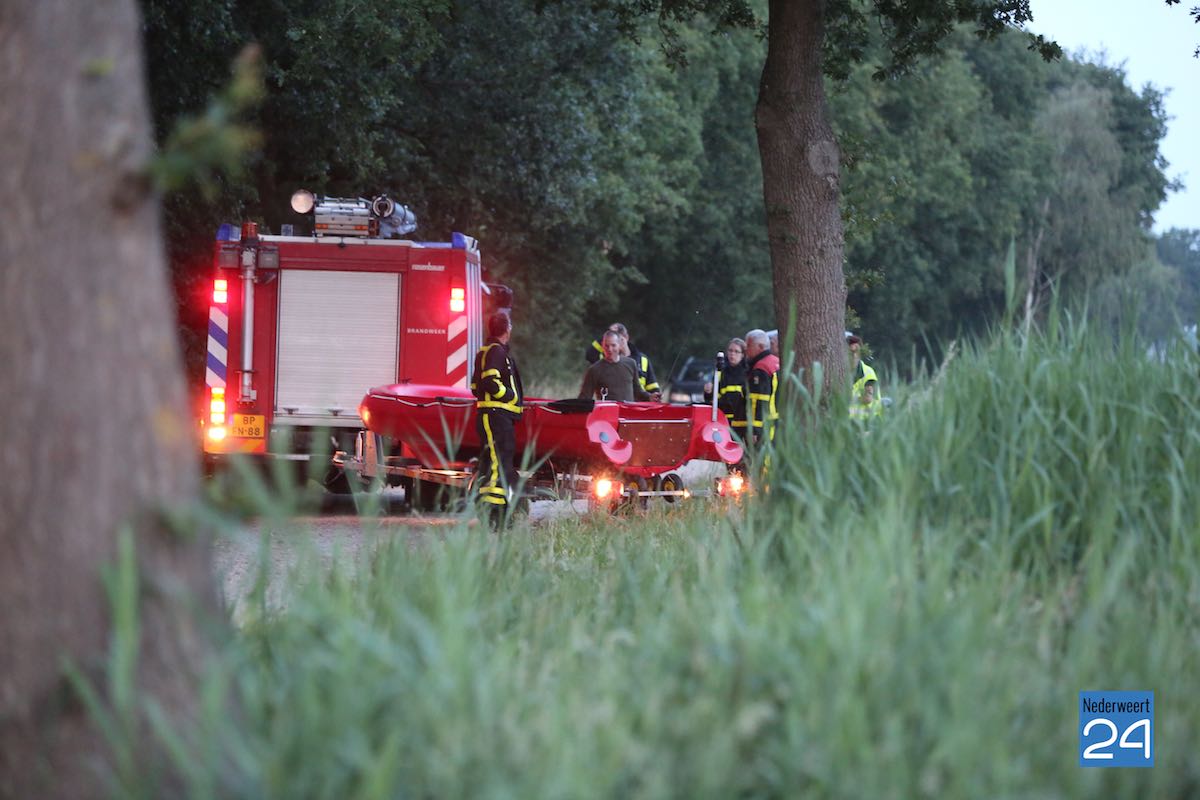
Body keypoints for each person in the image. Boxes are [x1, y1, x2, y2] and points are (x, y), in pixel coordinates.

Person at [471, 312, 524, 526]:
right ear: (507, 329)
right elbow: (490, 381)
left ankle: (494, 512)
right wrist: (509, 396)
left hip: (493, 416)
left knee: (493, 464)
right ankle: (495, 515)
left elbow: (475, 387)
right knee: (497, 464)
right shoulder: (496, 352)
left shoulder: (485, 351)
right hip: (496, 416)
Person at [585, 322, 660, 395]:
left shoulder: (642, 359)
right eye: (613, 341)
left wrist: (654, 396)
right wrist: (607, 335)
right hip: (613, 402)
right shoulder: (606, 359)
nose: (616, 344)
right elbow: (590, 354)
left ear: (626, 337)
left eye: (619, 340)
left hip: (638, 402)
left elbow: (652, 387)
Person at [704, 337, 748, 435]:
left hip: (742, 423)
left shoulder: (747, 373)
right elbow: (712, 401)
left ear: (743, 355)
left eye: (736, 351)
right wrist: (708, 392)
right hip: (723, 422)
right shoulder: (721, 372)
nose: (732, 354)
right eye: (730, 351)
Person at [744, 329, 780, 446]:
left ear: (760, 347)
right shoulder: (776, 362)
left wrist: (755, 430)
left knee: (764, 454)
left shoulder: (761, 368)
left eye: (749, 345)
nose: (746, 349)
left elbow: (758, 401)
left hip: (766, 424)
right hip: (778, 421)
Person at [847, 332, 883, 421]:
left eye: (856, 352)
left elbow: (867, 399)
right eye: (850, 352)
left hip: (868, 420)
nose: (854, 356)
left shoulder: (867, 372)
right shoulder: (841, 371)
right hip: (850, 421)